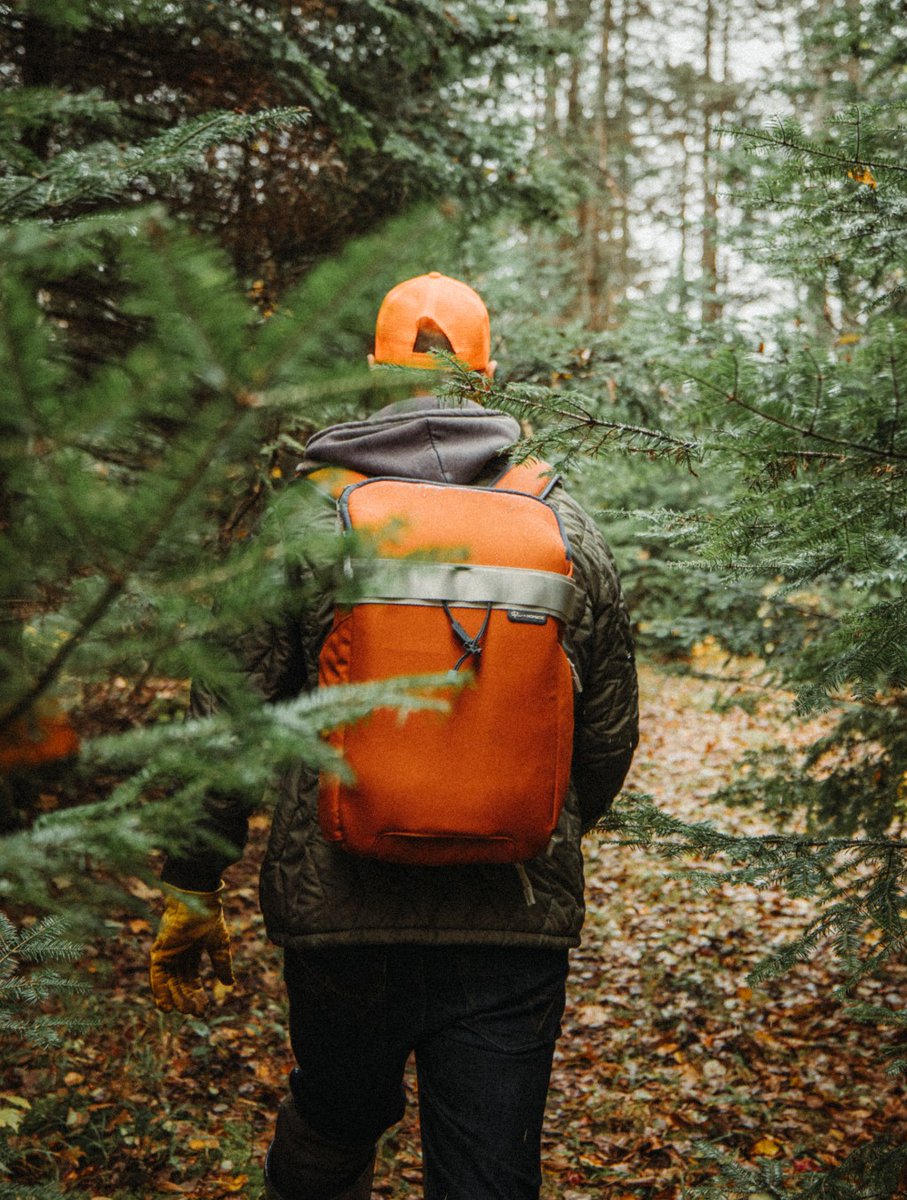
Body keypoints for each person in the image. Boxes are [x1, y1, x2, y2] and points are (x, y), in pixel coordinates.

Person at [149, 271, 640, 1200]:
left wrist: (191, 879)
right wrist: (517, 810)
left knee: (334, 1122)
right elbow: (609, 731)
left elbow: (228, 718)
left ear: (375, 377)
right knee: (488, 1170)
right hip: (511, 914)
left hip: (342, 912)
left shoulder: (310, 516)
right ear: (488, 378)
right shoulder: (562, 520)